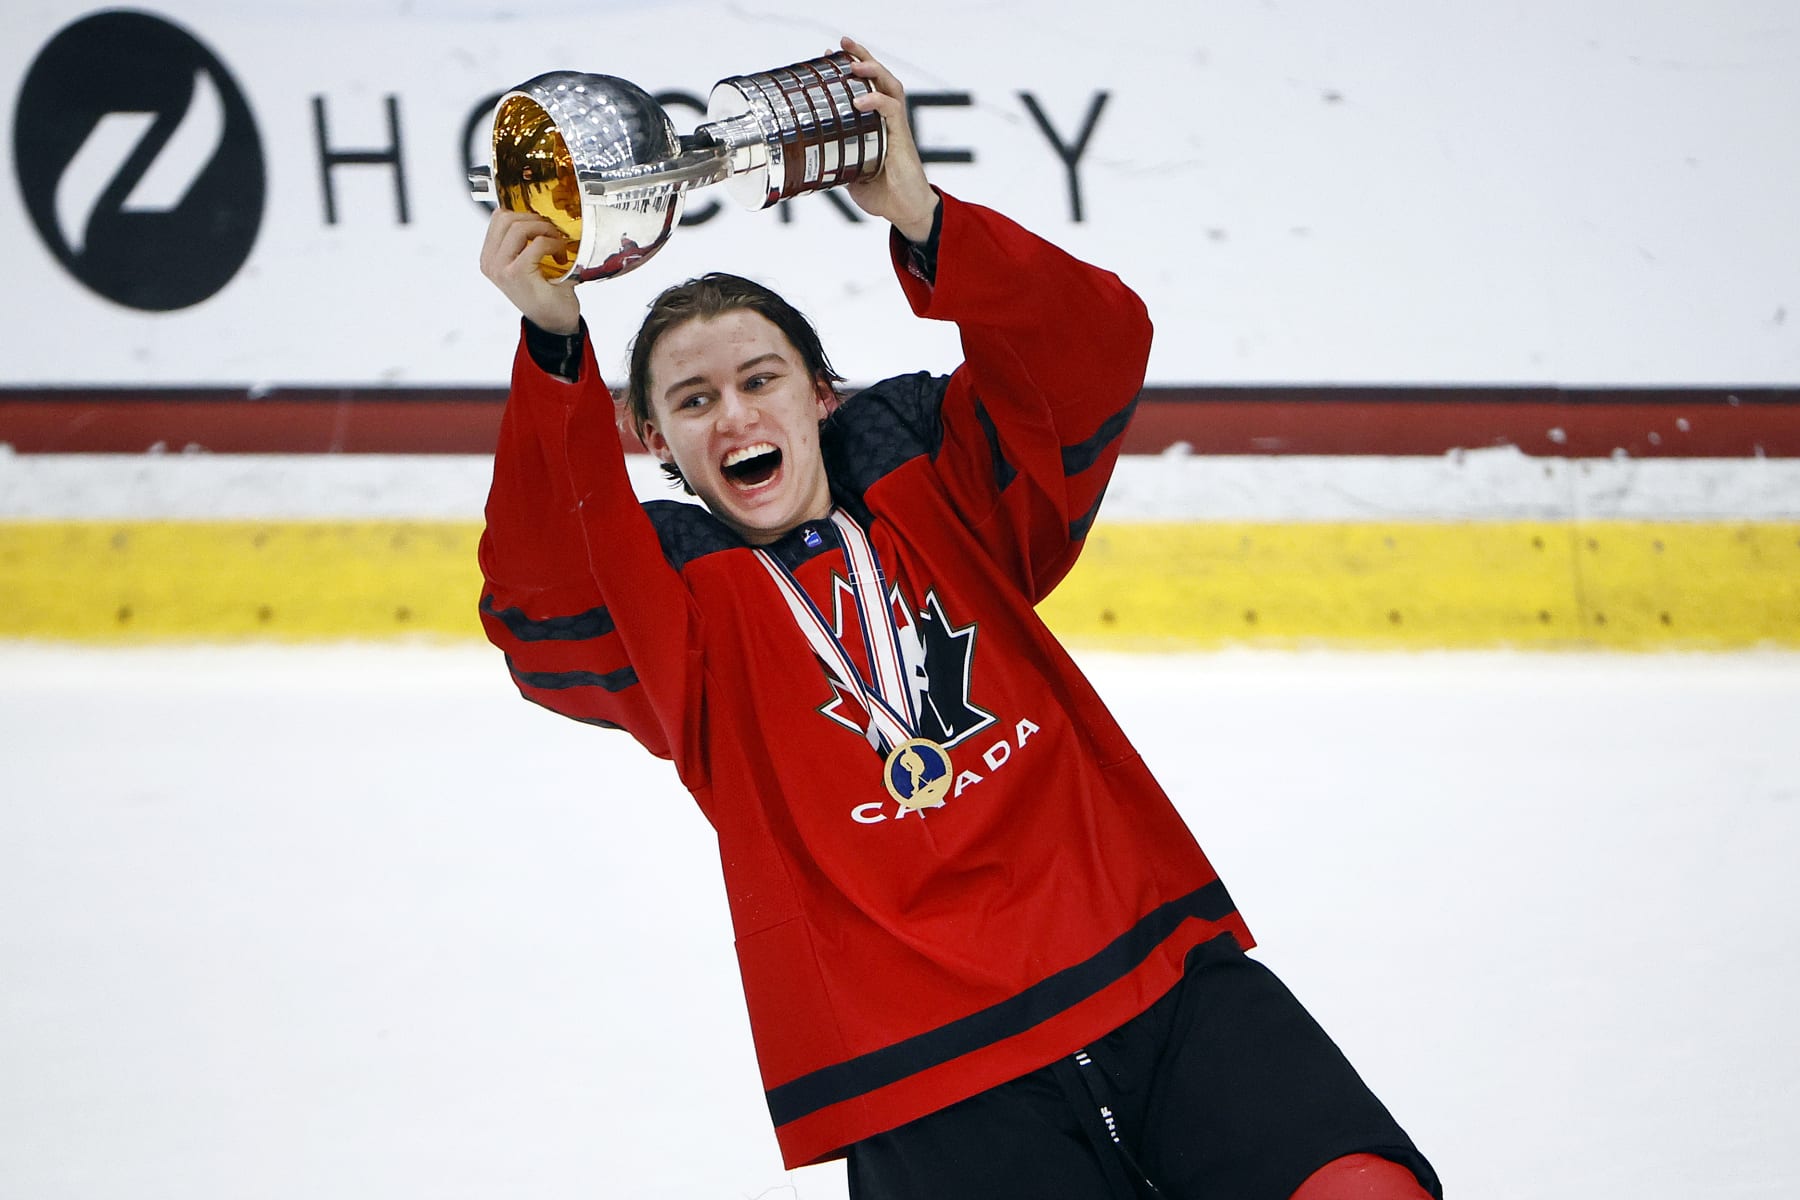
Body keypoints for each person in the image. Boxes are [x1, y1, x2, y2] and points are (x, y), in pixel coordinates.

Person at [477, 36, 1440, 1200]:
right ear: (657, 443)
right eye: (692, 399)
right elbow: (545, 603)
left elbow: (1091, 355)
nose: (733, 413)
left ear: (820, 397)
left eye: (760, 378)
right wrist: (552, 343)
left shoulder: (943, 486)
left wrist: (923, 215)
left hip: (1146, 970)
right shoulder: (680, 623)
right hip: (929, 1071)